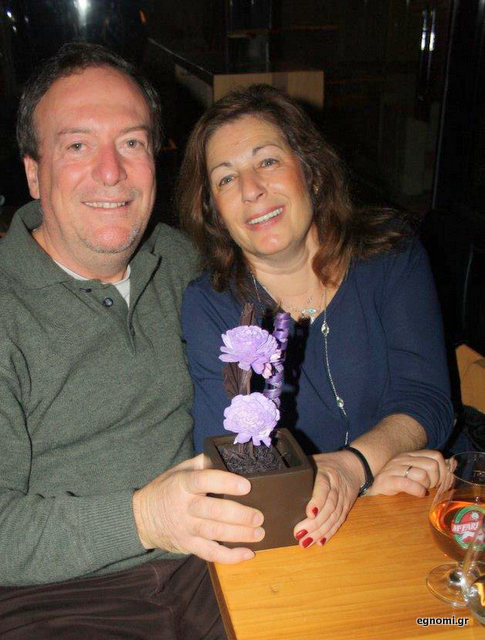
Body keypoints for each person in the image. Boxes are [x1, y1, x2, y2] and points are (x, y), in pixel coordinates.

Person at [0, 44, 265, 640]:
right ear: (33, 173)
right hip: (34, 599)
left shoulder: (180, 261)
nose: (111, 171)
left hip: (202, 566)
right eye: (77, 146)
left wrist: (363, 457)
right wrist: (143, 519)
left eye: (131, 142)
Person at [178, 84, 453, 550]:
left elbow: (426, 397)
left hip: (409, 509)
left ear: (313, 172)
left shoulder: (390, 253)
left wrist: (354, 468)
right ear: (215, 213)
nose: (251, 190)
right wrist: (357, 485)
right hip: (301, 534)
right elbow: (230, 460)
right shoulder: (211, 304)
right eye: (226, 179)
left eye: (268, 161)